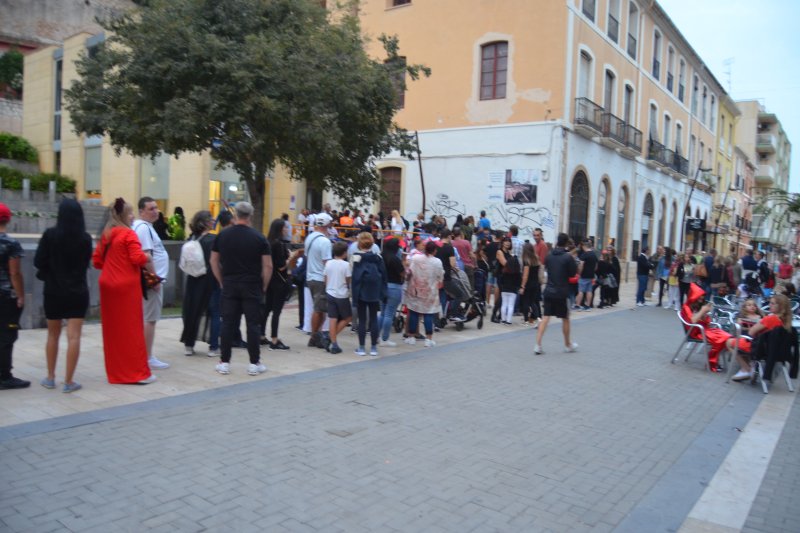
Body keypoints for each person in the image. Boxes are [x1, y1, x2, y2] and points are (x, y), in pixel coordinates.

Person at [92, 198, 156, 384]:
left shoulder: (107, 234)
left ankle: (115, 373)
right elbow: (138, 259)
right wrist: (147, 256)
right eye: (130, 213)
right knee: (131, 330)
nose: (133, 216)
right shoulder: (128, 234)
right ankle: (136, 374)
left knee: (113, 332)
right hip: (126, 287)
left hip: (107, 285)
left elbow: (97, 261)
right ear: (122, 215)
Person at [34, 199, 92, 392]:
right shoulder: (85, 238)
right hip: (77, 290)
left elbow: (38, 261)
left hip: (53, 290)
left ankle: (50, 377)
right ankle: (68, 381)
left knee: (53, 335)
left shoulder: (50, 235)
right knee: (74, 336)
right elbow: (85, 265)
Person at [210, 202, 272, 376]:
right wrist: (264, 286)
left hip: (230, 283)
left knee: (228, 323)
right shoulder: (259, 238)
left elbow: (213, 261)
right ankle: (254, 363)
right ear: (250, 216)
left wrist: (221, 280)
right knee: (253, 324)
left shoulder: (222, 236)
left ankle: (224, 362)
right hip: (252, 285)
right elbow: (268, 266)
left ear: (235, 215)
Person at [132, 197, 170, 370]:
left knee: (148, 318)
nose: (155, 211)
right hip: (151, 281)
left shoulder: (146, 228)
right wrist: (154, 278)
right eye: (151, 208)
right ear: (141, 211)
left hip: (150, 280)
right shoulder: (143, 229)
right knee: (150, 319)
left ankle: (145, 354)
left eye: (156, 208)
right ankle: (147, 357)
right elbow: (146, 256)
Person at [681, 282, 750, 373]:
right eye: (700, 296)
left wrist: (705, 315)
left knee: (726, 335)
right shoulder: (686, 307)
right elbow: (692, 321)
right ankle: (712, 363)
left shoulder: (698, 305)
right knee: (721, 338)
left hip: (704, 330)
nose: (702, 298)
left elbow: (707, 322)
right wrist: (702, 311)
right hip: (696, 332)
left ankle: (715, 361)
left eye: (702, 296)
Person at [0, 204, 29, 390]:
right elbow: (15, 273)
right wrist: (20, 295)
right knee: (7, 335)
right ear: (8, 219)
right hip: (5, 296)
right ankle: (4, 376)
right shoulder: (11, 244)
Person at [731, 294, 793, 381]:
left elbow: (751, 332)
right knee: (743, 342)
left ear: (780, 306)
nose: (769, 305)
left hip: (761, 349)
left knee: (730, 342)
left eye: (772, 303)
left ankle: (746, 369)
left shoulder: (770, 319)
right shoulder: (787, 321)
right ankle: (751, 367)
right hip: (778, 352)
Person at [180, 210, 216, 356]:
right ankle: (213, 346)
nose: (214, 221)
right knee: (212, 311)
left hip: (192, 278)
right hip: (208, 279)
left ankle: (189, 344)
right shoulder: (212, 239)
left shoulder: (191, 238)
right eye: (211, 219)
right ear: (206, 222)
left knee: (192, 310)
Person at [534, 232, 578, 355]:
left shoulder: (549, 255)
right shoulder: (568, 257)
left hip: (548, 290)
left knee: (545, 317)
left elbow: (548, 269)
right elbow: (572, 274)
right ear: (566, 243)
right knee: (565, 318)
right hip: (561, 292)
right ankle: (567, 345)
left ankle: (538, 344)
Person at [261, 218, 298, 351]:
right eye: (285, 227)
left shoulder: (268, 242)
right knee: (276, 311)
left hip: (270, 280)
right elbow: (281, 266)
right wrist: (291, 257)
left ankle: (261, 335)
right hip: (279, 281)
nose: (287, 230)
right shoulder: (279, 244)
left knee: (267, 309)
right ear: (280, 229)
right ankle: (275, 339)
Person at [351, 232, 388, 356]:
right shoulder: (378, 257)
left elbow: (354, 276)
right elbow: (384, 276)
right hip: (375, 291)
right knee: (373, 319)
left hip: (361, 291)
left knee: (362, 320)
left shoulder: (356, 257)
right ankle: (373, 348)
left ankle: (361, 348)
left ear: (359, 243)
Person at [405, 240, 444, 347]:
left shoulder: (416, 258)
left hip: (415, 289)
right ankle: (428, 339)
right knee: (428, 313)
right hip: (429, 291)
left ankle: (411, 337)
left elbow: (410, 271)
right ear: (435, 250)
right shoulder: (437, 262)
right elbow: (440, 276)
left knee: (413, 312)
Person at [305, 213, 334, 349]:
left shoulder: (309, 238)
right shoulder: (325, 241)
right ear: (328, 225)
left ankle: (316, 336)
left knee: (320, 309)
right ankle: (314, 337)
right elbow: (327, 264)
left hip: (310, 277)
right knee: (318, 309)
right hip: (320, 278)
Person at [323, 241, 352, 355]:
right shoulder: (346, 265)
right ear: (344, 253)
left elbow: (325, 277)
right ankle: (331, 338)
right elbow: (347, 279)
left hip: (330, 292)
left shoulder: (328, 263)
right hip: (341, 294)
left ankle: (333, 342)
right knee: (348, 317)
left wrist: (328, 288)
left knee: (332, 317)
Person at [379, 237, 404, 347]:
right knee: (389, 314)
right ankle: (385, 339)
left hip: (382, 286)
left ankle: (376, 337)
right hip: (394, 287)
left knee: (383, 313)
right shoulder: (395, 259)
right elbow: (403, 274)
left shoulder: (381, 256)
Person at [438, 230, 467, 322]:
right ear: (449, 237)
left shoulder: (436, 246)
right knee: (459, 294)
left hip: (435, 277)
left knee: (440, 298)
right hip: (446, 278)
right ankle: (454, 314)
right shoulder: (449, 248)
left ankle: (438, 319)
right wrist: (456, 268)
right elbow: (453, 264)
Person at [496, 237, 521, 324]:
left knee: (504, 300)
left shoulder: (509, 252)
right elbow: (504, 263)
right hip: (502, 276)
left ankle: (501, 317)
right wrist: (514, 265)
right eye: (506, 241)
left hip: (509, 277)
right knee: (502, 299)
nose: (507, 243)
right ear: (502, 242)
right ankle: (496, 315)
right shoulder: (500, 252)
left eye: (509, 241)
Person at [520, 242, 543, 326]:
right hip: (536, 283)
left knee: (526, 302)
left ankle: (526, 320)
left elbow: (525, 275)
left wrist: (522, 286)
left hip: (528, 284)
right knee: (533, 302)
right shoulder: (536, 259)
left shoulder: (526, 261)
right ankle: (538, 318)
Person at [575, 239, 597, 311]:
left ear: (585, 246)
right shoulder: (594, 254)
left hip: (584, 275)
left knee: (581, 290)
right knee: (589, 291)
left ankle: (578, 305)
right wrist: (593, 271)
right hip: (591, 275)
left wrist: (579, 272)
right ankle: (588, 306)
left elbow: (581, 265)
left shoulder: (585, 254)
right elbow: (596, 265)